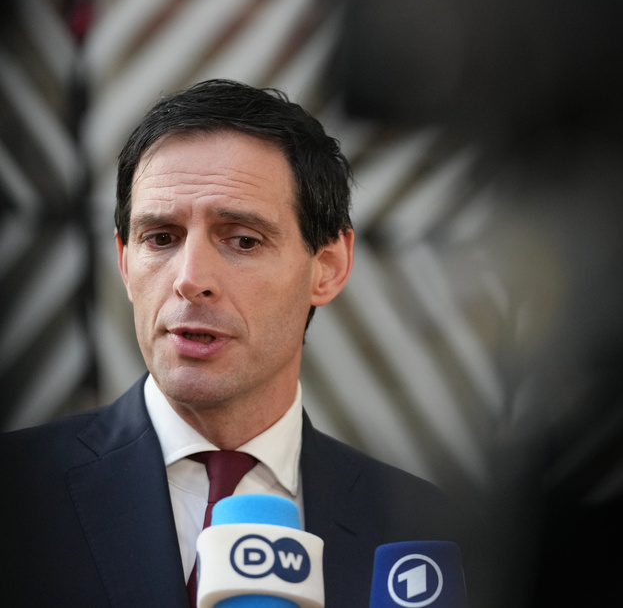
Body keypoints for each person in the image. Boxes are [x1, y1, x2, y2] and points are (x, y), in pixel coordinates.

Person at [0, 79, 465, 606]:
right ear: (125, 262)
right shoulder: (15, 496)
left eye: (242, 240)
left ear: (329, 266)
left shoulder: (425, 532)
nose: (190, 277)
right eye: (161, 238)